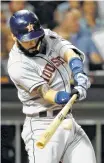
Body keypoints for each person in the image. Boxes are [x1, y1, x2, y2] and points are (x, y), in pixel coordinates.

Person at [8, 10, 96, 163]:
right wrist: (69, 96)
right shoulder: (17, 65)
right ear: (14, 36)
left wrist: (79, 73)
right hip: (42, 125)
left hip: (68, 121)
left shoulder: (47, 36)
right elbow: (46, 93)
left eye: (35, 37)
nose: (33, 43)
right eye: (27, 39)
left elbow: (68, 53)